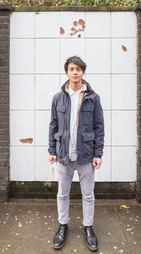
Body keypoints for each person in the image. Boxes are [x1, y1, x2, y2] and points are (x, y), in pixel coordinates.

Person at [48, 56, 104, 252]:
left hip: (86, 156)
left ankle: (88, 228)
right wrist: (51, 150)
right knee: (62, 193)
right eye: (72, 69)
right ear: (67, 72)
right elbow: (53, 125)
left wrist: (98, 153)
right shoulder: (58, 98)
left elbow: (99, 126)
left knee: (88, 195)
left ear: (83, 72)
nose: (75, 72)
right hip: (63, 155)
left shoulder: (93, 98)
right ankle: (63, 226)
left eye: (78, 69)